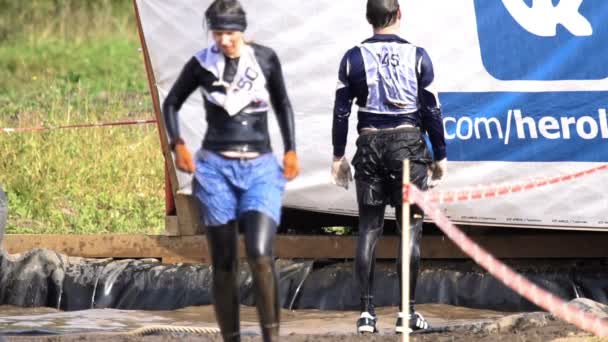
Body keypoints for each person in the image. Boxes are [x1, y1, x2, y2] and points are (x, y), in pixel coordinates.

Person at [162, 1, 299, 341]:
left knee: (259, 254)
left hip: (260, 169)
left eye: (230, 32)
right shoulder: (201, 64)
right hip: (215, 170)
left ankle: (271, 338)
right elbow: (172, 103)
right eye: (218, 33)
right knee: (224, 264)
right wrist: (177, 144)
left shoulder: (264, 59)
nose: (224, 40)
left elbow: (282, 103)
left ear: (242, 30)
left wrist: (292, 149)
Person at [330, 0, 447, 334]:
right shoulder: (418, 55)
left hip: (369, 146)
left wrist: (338, 156)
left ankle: (366, 315)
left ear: (369, 19)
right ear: (399, 15)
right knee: (409, 229)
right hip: (408, 146)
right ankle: (406, 314)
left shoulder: (352, 58)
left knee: (368, 228)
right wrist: (440, 156)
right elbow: (432, 111)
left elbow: (341, 113)